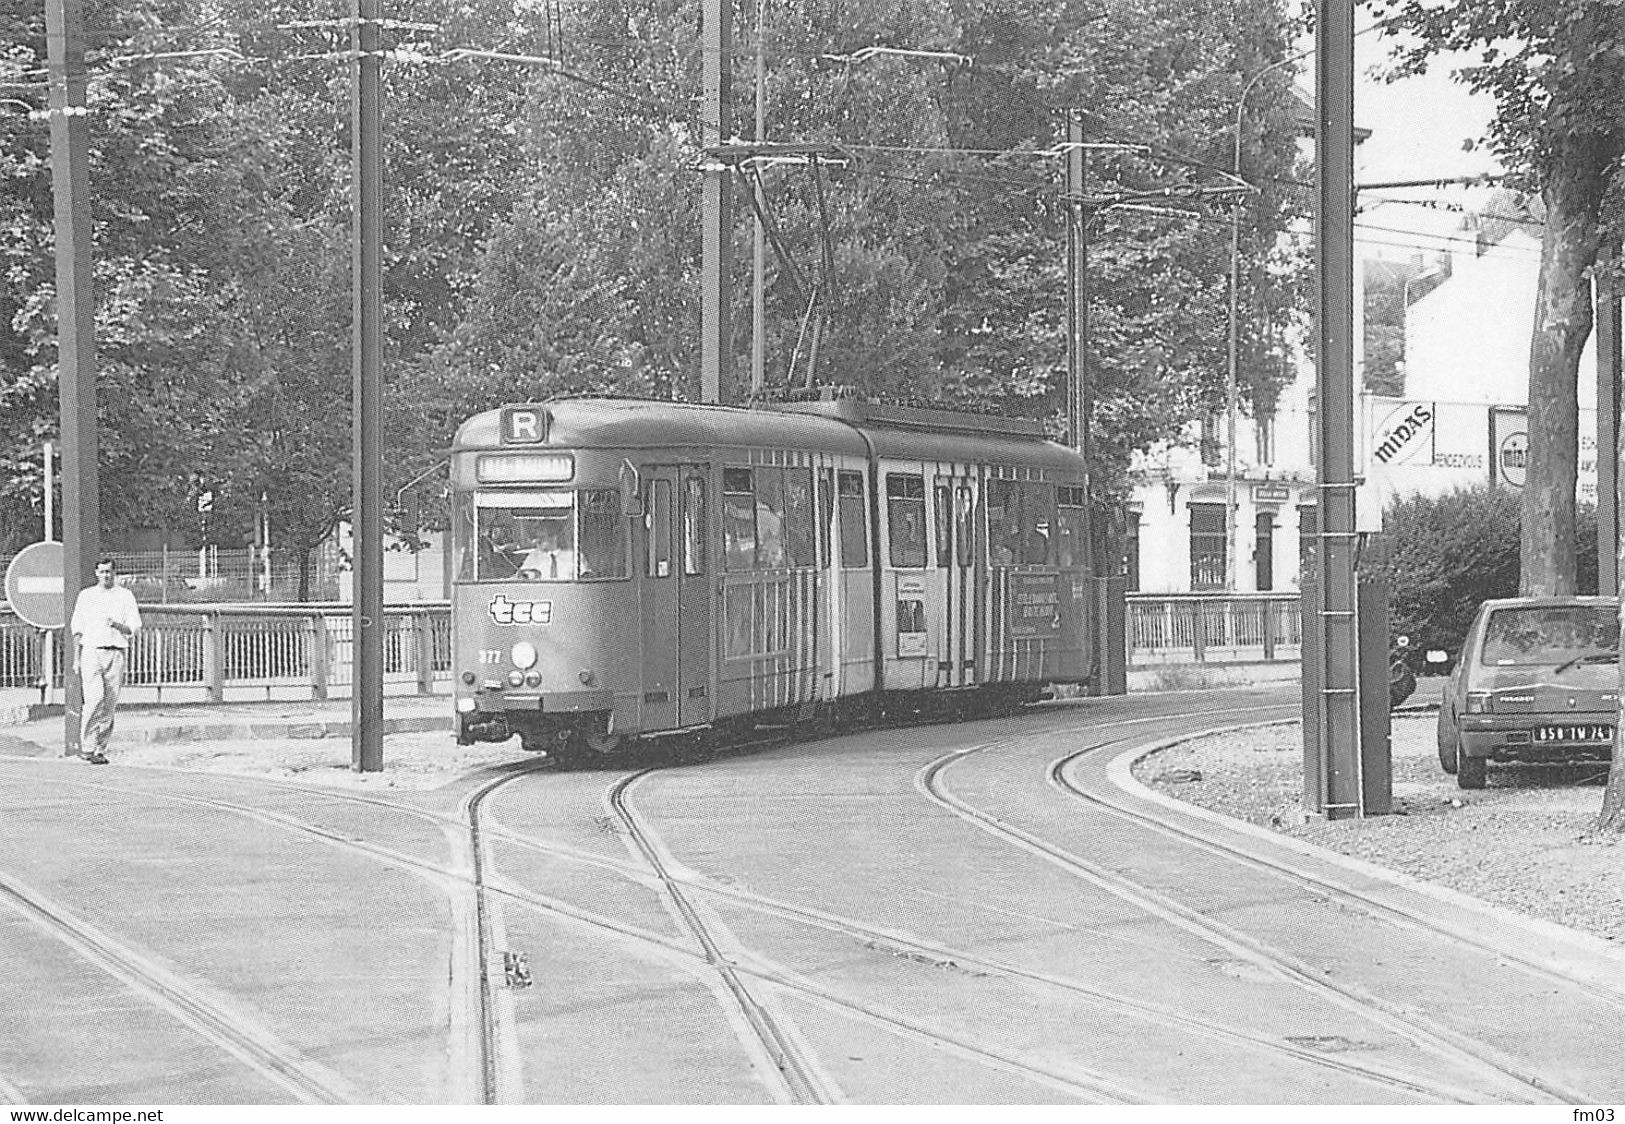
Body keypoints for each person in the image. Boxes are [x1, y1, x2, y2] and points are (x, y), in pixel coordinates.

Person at [70, 558, 143, 764]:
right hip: (92, 651)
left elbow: (133, 627)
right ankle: (87, 746)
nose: (106, 576)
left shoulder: (125, 596)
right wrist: (76, 657)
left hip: (116, 651)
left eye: (109, 572)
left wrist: (117, 625)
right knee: (94, 699)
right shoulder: (86, 596)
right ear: (96, 573)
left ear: (115, 573)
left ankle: (100, 748)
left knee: (110, 702)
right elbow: (78, 628)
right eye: (102, 572)